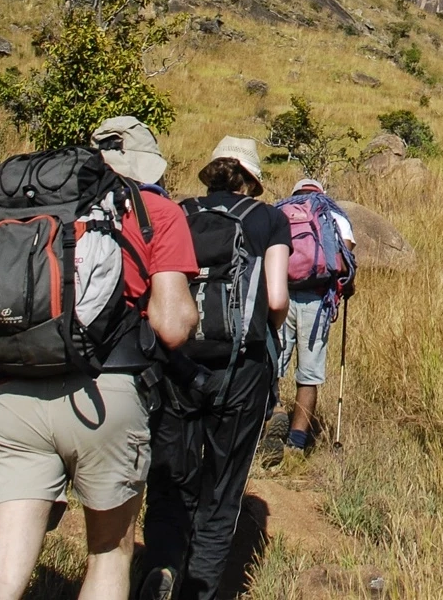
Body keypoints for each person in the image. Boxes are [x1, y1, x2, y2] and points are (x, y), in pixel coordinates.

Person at [0, 116, 198, 600]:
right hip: (104, 397)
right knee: (109, 557)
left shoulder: (34, 206)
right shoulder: (157, 209)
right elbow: (173, 326)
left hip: (15, 391)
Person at [139, 136, 291, 600]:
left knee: (171, 484)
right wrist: (267, 331)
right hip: (241, 371)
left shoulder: (179, 212)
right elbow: (278, 298)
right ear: (252, 179)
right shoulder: (268, 218)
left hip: (177, 364)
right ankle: (198, 592)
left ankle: (162, 565)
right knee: (222, 493)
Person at [277, 175, 354, 453]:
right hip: (318, 300)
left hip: (280, 296)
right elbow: (345, 264)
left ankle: (270, 416)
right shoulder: (334, 215)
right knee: (308, 374)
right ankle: (297, 441)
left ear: (295, 191)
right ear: (322, 192)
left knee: (272, 365)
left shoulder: (280, 211)